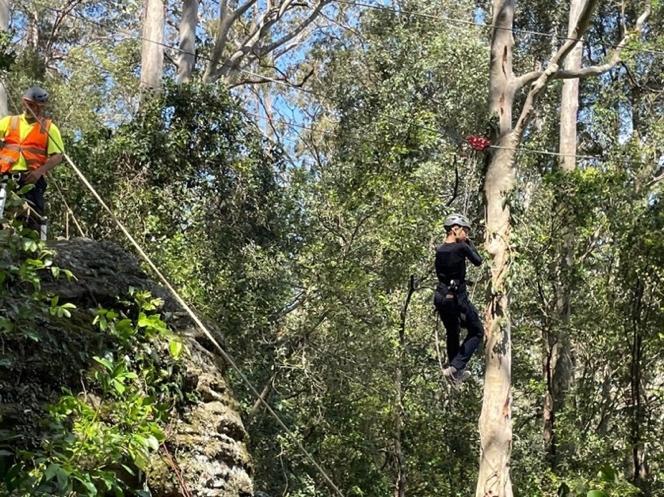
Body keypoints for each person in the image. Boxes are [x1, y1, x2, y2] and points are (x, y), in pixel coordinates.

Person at [0, 86, 64, 228]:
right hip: (6, 179)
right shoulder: (9, 122)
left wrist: (39, 171)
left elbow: (58, 156)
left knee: (32, 221)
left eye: (38, 106)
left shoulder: (48, 127)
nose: (34, 109)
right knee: (3, 220)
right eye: (31, 105)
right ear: (24, 102)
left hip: (31, 181)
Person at [434, 213, 484, 387]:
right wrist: (468, 244)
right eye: (465, 231)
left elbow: (447, 273)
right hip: (456, 299)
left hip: (441, 297)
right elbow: (478, 261)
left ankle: (454, 371)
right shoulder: (461, 247)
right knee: (477, 331)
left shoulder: (439, 250)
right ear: (455, 229)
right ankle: (456, 366)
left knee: (453, 330)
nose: (467, 235)